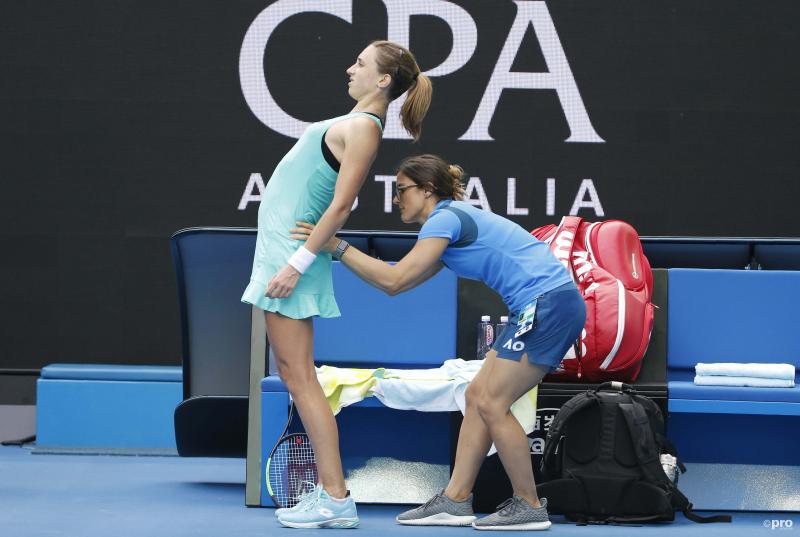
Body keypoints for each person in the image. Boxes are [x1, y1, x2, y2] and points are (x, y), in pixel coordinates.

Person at [290, 154, 586, 531]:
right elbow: (393, 284)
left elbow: (394, 281)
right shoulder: (446, 228)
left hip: (548, 304)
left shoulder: (445, 219)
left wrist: (337, 247)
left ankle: (528, 504)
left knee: (492, 402)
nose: (396, 199)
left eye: (401, 190)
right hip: (538, 306)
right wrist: (337, 248)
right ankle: (456, 500)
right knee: (477, 396)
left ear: (427, 190)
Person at [241, 42, 432, 529]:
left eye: (362, 64)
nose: (351, 68)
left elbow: (342, 205)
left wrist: (297, 264)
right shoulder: (354, 122)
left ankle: (335, 498)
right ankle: (333, 496)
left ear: (384, 80)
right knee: (295, 376)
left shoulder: (366, 128)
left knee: (301, 380)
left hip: (290, 261)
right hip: (280, 257)